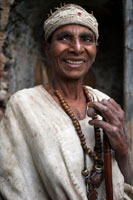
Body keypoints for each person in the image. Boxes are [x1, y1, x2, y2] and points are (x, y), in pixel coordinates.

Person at [0, 3, 133, 200]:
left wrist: (123, 151)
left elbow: (126, 183)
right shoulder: (24, 105)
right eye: (64, 38)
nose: (77, 48)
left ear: (95, 50)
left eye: (86, 39)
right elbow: (15, 183)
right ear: (48, 48)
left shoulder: (104, 102)